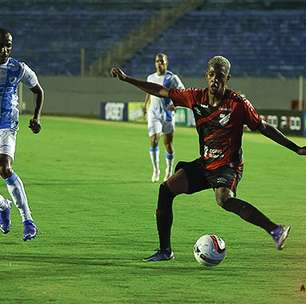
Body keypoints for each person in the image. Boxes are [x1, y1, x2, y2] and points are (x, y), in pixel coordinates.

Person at [111, 55, 306, 262]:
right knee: (166, 189)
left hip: (227, 166)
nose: (215, 79)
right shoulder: (196, 97)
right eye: (211, 74)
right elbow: (161, 91)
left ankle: (275, 230)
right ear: (207, 75)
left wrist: (296, 149)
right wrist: (127, 79)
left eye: (220, 76)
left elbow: (263, 127)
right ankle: (165, 251)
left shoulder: (238, 104)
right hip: (205, 163)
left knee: (224, 199)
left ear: (227, 78)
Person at [0, 28, 44, 241]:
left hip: (7, 123)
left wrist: (36, 117)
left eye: (8, 44)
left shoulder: (18, 68)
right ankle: (3, 205)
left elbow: (38, 91)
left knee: (5, 168)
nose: (4, 49)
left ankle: (28, 220)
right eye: (1, 44)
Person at [143, 53, 185, 183]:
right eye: (157, 61)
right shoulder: (150, 77)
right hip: (153, 113)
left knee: (168, 144)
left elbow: (182, 91)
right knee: (154, 140)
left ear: (166, 63)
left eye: (161, 61)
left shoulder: (172, 78)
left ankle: (169, 169)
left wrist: (175, 104)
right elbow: (148, 93)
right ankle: (156, 170)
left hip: (166, 114)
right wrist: (145, 107)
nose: (159, 63)